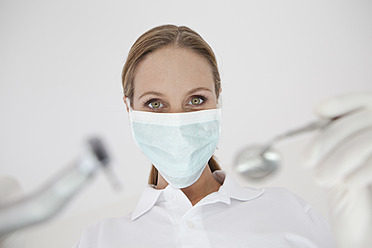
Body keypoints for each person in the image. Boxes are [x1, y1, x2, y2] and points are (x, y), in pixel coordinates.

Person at [73, 25, 372, 248]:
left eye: (196, 100)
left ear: (218, 100)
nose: (178, 122)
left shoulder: (289, 210)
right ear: (129, 108)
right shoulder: (100, 239)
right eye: (155, 103)